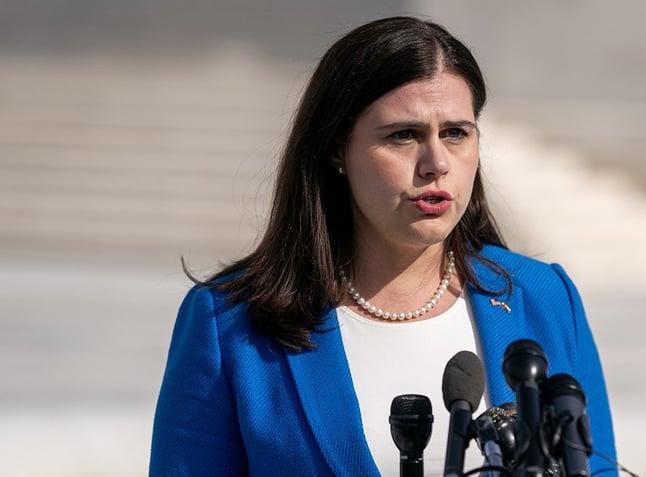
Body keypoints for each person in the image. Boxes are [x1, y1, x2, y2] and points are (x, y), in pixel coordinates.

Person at [150, 16, 617, 476]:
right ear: (336, 149)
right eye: (404, 135)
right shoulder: (229, 325)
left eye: (456, 132)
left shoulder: (545, 297)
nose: (436, 163)